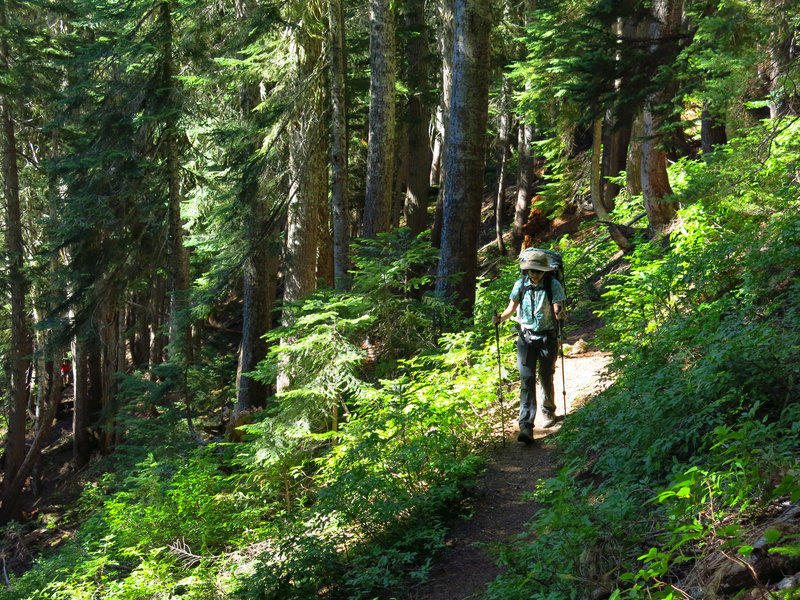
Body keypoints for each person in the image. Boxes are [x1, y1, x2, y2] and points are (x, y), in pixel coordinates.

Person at [492, 249, 566, 445]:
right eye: (532, 270)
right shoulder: (520, 284)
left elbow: (559, 308)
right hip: (525, 337)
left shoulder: (553, 284)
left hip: (547, 337)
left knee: (546, 374)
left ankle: (548, 410)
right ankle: (526, 425)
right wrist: (500, 318)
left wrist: (560, 314)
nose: (534, 274)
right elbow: (511, 308)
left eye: (538, 271)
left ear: (544, 271)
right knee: (526, 379)